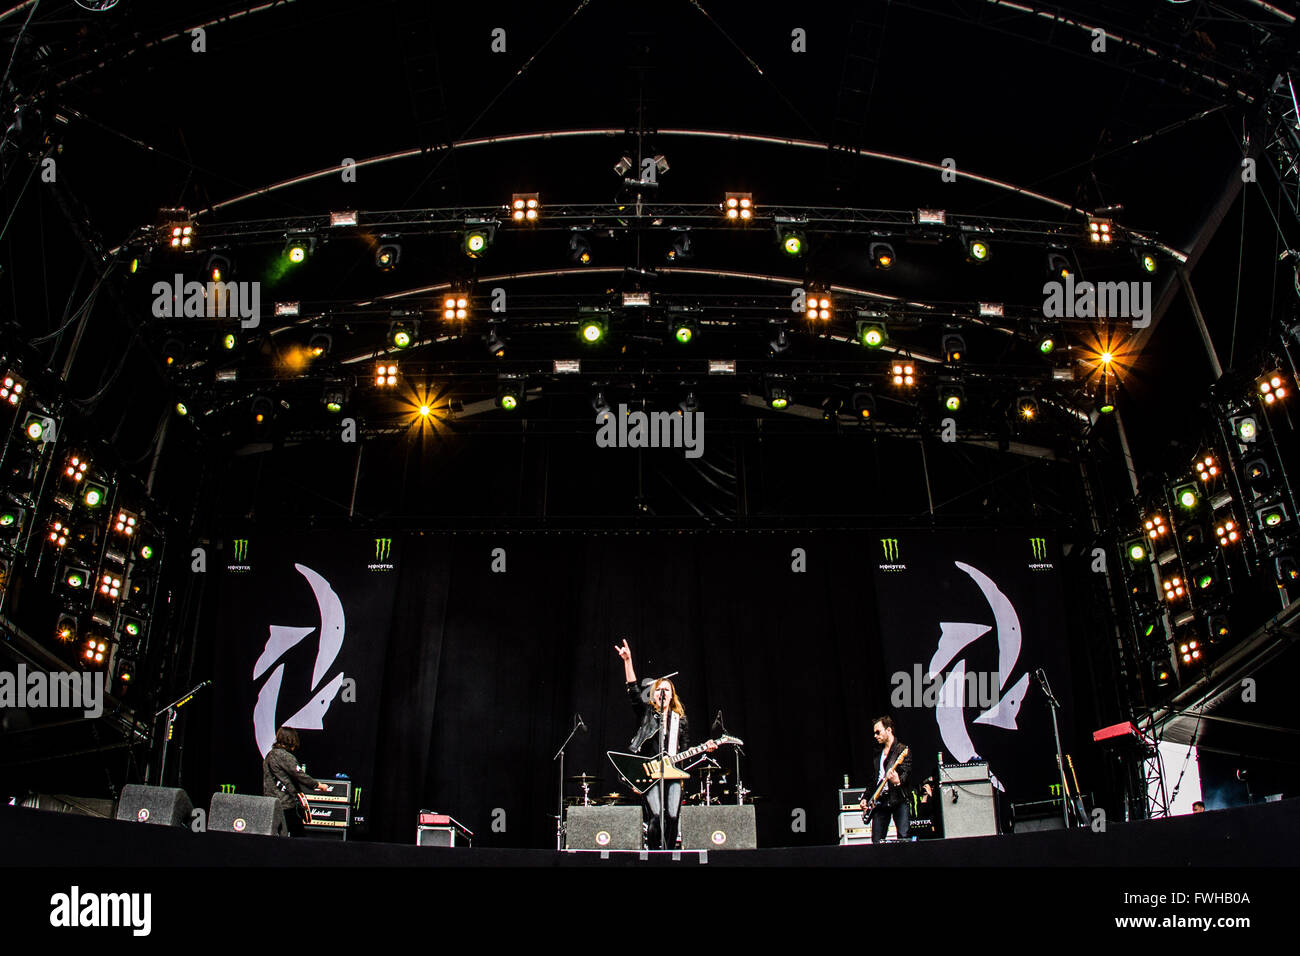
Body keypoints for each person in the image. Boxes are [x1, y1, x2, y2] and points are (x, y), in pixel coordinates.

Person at [615, 639, 714, 849]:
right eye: (660, 690)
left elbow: (685, 750)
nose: (663, 694)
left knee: (672, 816)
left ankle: (668, 854)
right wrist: (628, 661)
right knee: (656, 815)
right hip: (649, 774)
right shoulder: (647, 713)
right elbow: (633, 691)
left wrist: (705, 748)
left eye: (667, 690)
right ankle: (653, 855)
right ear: (654, 694)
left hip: (672, 774)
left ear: (672, 695)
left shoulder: (681, 720)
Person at [262, 726, 329, 837]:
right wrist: (318, 785)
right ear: (291, 740)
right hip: (286, 803)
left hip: (270, 802)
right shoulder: (285, 756)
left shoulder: (269, 755)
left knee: (274, 834)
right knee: (298, 836)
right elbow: (299, 774)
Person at [860, 716, 912, 843]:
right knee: (877, 840)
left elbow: (906, 771)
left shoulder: (902, 750)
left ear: (888, 730)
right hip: (880, 801)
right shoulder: (877, 753)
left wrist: (898, 780)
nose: (875, 736)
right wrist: (866, 797)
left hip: (898, 798)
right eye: (874, 733)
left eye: (878, 732)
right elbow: (874, 778)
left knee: (904, 838)